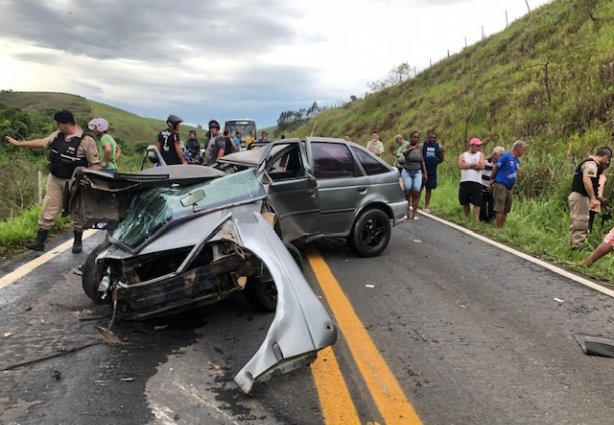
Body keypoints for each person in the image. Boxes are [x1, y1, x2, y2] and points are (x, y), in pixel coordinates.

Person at [5, 109, 100, 253]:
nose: (57, 126)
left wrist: (92, 184)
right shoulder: (58, 135)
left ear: (66, 123)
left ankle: (77, 241)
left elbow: (94, 164)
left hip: (75, 182)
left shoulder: (87, 141)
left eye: (58, 123)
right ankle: (40, 241)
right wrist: (19, 143)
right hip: (55, 179)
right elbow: (41, 143)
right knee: (48, 207)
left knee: (76, 211)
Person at [567, 147, 612, 248]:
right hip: (580, 196)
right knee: (581, 222)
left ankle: (574, 245)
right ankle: (576, 247)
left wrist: (599, 200)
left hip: (581, 196)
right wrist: (592, 198)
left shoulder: (592, 164)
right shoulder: (591, 164)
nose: (608, 162)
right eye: (608, 159)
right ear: (605, 157)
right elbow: (587, 180)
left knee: (579, 221)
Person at [489, 140, 528, 228]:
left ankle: (503, 227)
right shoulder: (506, 157)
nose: (523, 152)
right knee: (500, 207)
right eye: (523, 150)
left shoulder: (517, 161)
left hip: (509, 187)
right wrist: (491, 180)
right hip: (500, 184)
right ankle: (498, 228)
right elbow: (496, 167)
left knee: (506, 208)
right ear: (517, 149)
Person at [401, 131, 427, 221]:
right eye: (414, 137)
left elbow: (422, 161)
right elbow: (404, 154)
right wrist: (413, 148)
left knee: (416, 192)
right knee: (407, 192)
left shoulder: (420, 147)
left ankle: (415, 214)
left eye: (417, 137)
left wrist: (425, 173)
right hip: (407, 171)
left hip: (417, 172)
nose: (416, 139)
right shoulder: (407, 147)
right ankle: (406, 212)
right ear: (410, 137)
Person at [458, 137, 485, 221]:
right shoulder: (463, 155)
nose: (478, 147)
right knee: (465, 200)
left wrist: (468, 165)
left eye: (479, 146)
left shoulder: (480, 155)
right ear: (472, 145)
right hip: (465, 180)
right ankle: (466, 218)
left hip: (477, 181)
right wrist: (474, 164)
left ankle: (476, 220)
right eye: (477, 145)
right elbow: (461, 165)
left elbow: (481, 166)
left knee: (477, 202)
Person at [480, 146, 505, 222]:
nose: (502, 156)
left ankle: (491, 221)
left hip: (494, 188)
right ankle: (482, 220)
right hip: (483, 186)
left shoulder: (502, 165)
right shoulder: (485, 162)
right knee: (482, 205)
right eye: (500, 154)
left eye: (503, 154)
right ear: (494, 155)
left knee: (492, 206)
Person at [421, 130, 444, 212]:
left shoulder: (439, 147)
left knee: (429, 189)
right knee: (419, 188)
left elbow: (441, 159)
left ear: (436, 139)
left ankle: (426, 206)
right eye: (430, 137)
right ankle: (415, 203)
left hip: (432, 171)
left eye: (434, 138)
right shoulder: (422, 145)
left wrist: (434, 162)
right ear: (427, 137)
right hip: (422, 171)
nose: (432, 139)